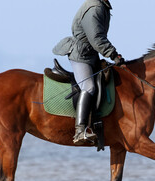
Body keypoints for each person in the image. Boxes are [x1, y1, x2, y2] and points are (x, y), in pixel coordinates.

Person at [53, 0, 124, 145]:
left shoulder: (101, 6)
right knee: (89, 87)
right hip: (81, 56)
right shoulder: (95, 8)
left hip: (91, 55)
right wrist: (113, 54)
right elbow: (96, 38)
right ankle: (79, 131)